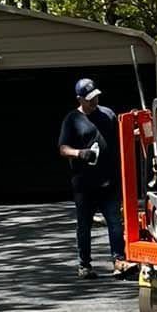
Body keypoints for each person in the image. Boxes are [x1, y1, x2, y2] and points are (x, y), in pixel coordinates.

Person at [58, 78, 129, 280]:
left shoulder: (108, 114)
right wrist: (80, 154)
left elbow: (121, 138)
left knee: (115, 222)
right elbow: (63, 148)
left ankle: (119, 261)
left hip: (109, 181)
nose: (94, 101)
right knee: (84, 225)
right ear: (80, 99)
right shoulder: (72, 120)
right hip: (84, 184)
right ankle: (85, 265)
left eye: (96, 96)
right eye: (89, 99)